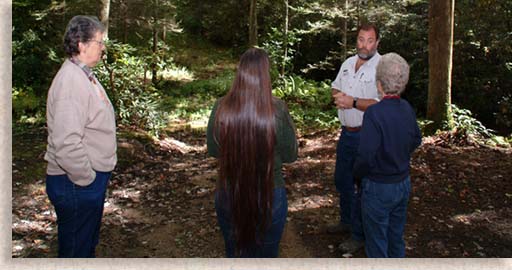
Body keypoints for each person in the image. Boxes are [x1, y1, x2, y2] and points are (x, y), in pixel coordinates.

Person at [206, 48, 298, 257]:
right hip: (270, 194)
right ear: (265, 75)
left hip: (230, 192)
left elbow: (214, 151)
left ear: (240, 73)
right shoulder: (278, 109)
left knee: (235, 253)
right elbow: (291, 155)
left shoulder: (221, 107)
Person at [44, 15, 116, 258]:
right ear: (82, 44)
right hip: (75, 182)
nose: (103, 47)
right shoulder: (71, 82)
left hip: (81, 182)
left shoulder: (83, 74)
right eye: (99, 42)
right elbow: (65, 142)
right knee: (76, 251)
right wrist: (86, 178)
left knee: (84, 245)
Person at [353, 53, 421, 258]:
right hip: (402, 183)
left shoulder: (375, 113)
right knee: (396, 236)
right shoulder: (406, 108)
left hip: (378, 186)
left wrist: (357, 176)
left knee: (376, 242)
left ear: (379, 84)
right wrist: (398, 153)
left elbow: (365, 155)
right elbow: (416, 139)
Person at [328, 23, 382, 253]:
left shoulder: (382, 67)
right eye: (361, 39)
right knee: (343, 180)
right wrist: (338, 96)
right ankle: (346, 222)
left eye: (370, 41)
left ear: (377, 43)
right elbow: (334, 87)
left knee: (363, 187)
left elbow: (382, 105)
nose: (365, 45)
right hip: (346, 133)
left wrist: (353, 102)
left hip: (367, 136)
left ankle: (359, 235)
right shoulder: (348, 64)